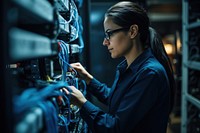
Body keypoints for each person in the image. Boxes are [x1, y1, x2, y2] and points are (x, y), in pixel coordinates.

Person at [63, 1, 176, 133]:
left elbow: (115, 128)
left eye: (109, 34)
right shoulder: (129, 67)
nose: (105, 42)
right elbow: (116, 99)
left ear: (132, 31)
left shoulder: (150, 73)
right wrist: (89, 80)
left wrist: (82, 104)